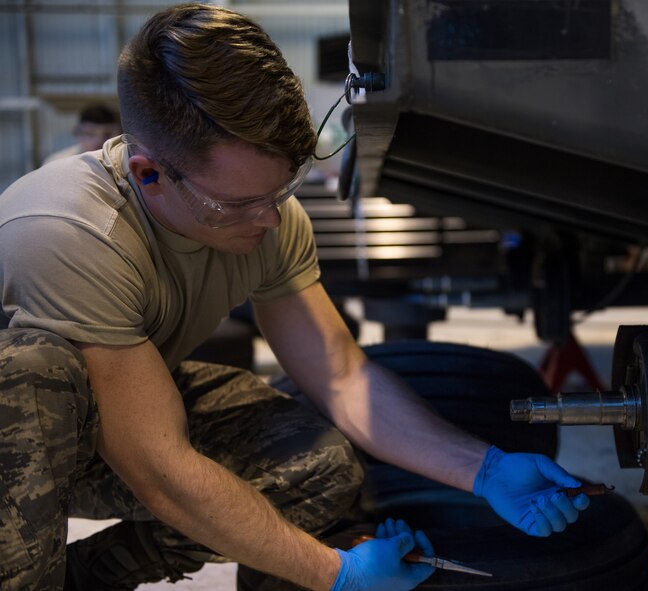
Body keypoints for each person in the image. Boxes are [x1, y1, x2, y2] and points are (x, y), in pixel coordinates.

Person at [0, 4, 591, 590]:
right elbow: (159, 471)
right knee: (34, 369)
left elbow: (341, 376)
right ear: (150, 174)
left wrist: (485, 471)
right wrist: (338, 576)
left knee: (315, 464)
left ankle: (86, 576)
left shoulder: (268, 218)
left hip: (97, 423)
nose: (269, 219)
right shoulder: (71, 233)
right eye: (236, 204)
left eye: (282, 189)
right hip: (19, 433)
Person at [42, 103, 122, 165]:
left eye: (107, 134)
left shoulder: (122, 162)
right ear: (77, 133)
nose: (99, 141)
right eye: (90, 134)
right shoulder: (56, 163)